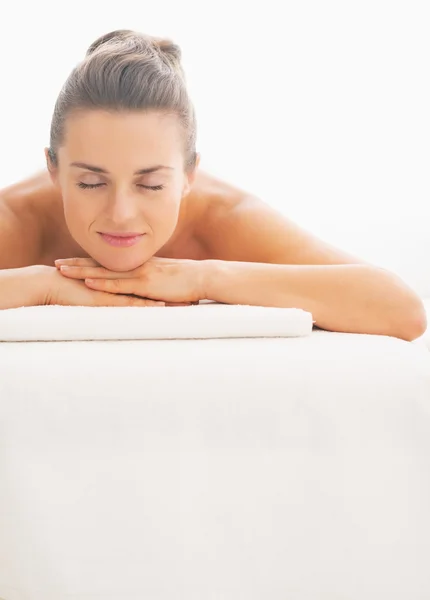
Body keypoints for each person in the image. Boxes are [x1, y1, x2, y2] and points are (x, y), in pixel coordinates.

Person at [0, 29, 426, 341]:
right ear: (53, 170)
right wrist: (43, 286)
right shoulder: (18, 220)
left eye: (150, 185)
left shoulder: (224, 218)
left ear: (189, 176)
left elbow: (402, 311)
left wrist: (205, 278)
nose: (121, 213)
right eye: (91, 183)